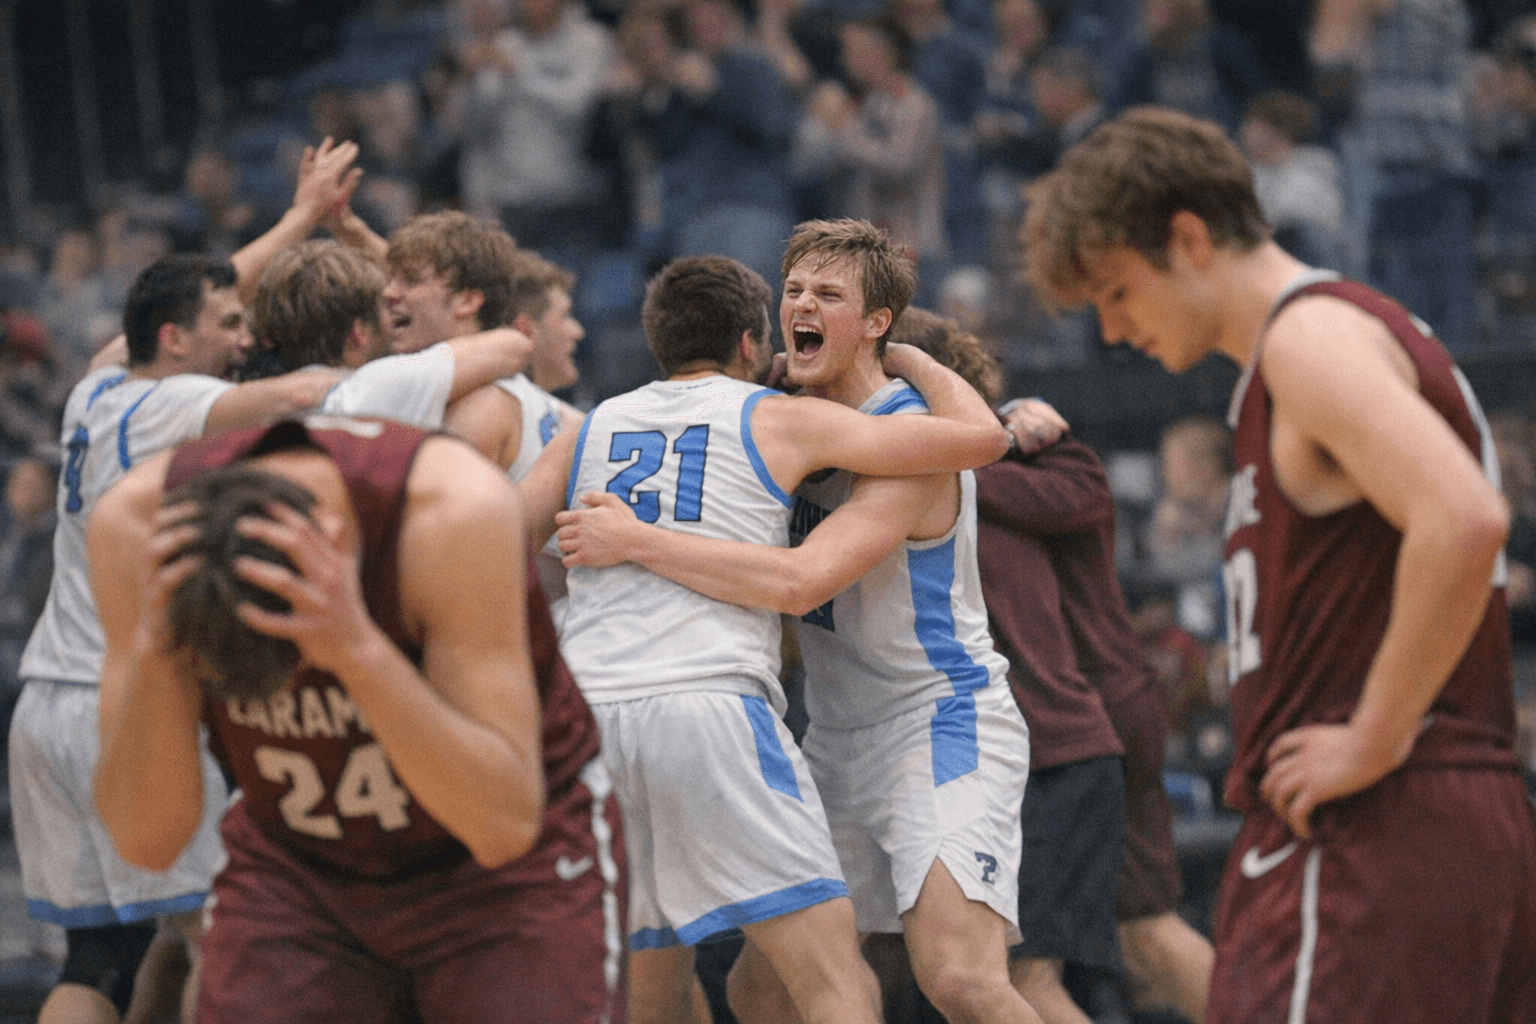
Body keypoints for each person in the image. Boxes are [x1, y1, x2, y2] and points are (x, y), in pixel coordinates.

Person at [1020, 105, 1536, 1024]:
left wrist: (1375, 733)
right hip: (1442, 816)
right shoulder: (1325, 345)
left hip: (1375, 823)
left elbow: (1463, 519)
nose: (1111, 328)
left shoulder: (1310, 338)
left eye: (1117, 290)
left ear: (1186, 239)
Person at [555, 220, 1042, 1024]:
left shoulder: (909, 439)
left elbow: (800, 581)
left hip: (936, 719)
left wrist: (635, 540)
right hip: (833, 733)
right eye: (792, 291)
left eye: (828, 295)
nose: (801, 306)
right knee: (761, 991)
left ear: (876, 322)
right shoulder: (779, 415)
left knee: (959, 977)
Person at [90, 415, 623, 1024]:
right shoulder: (134, 527)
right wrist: (158, 653)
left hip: (507, 868)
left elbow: (503, 823)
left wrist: (358, 649)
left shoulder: (451, 509)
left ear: (341, 545)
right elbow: (145, 842)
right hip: (299, 866)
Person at [5, 254, 349, 1024]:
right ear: (173, 339)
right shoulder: (178, 398)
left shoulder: (95, 389)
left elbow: (148, 319)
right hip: (121, 710)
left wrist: (297, 222)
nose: (244, 336)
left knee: (96, 962)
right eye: (227, 324)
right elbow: (302, 390)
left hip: (46, 708)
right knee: (223, 941)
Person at [893, 306, 1215, 1024]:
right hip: (1073, 717)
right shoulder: (1000, 453)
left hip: (1078, 721)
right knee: (1136, 939)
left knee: (1061, 961)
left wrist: (969, 442)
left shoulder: (1040, 457)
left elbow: (1027, 494)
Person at [246, 238, 533, 428]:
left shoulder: (239, 404)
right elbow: (514, 346)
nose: (394, 302)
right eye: (384, 308)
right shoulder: (377, 387)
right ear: (358, 334)